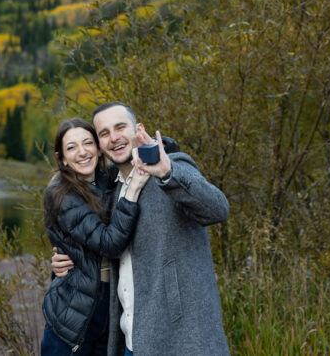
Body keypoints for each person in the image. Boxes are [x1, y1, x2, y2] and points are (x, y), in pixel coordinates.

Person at [51, 102, 230, 356]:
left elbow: (218, 209)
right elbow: (100, 241)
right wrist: (62, 262)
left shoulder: (172, 168)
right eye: (104, 133)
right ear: (100, 146)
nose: (114, 138)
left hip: (182, 340)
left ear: (138, 129)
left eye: (120, 127)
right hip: (131, 341)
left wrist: (167, 172)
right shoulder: (110, 191)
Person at [41, 118, 150, 356]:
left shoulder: (104, 179)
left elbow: (130, 156)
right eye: (71, 147)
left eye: (88, 143)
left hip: (110, 304)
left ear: (99, 147)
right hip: (75, 313)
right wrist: (131, 193)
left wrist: (154, 145)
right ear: (62, 158)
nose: (82, 152)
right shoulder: (62, 194)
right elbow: (109, 244)